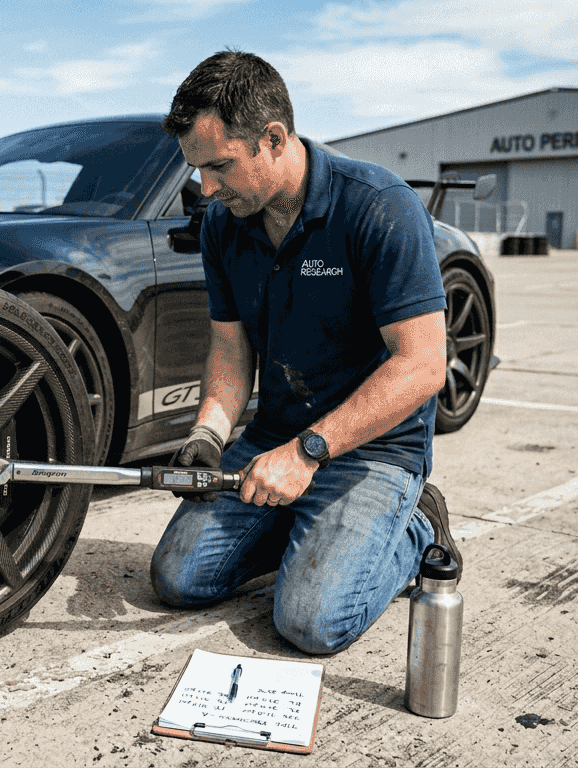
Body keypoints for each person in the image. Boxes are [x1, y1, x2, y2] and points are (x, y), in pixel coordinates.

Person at [149, 50, 461, 655]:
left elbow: (422, 366)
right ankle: (308, 532)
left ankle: (416, 526)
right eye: (197, 171)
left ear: (273, 138)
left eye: (219, 167)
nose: (206, 189)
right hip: (274, 442)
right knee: (178, 579)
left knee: (311, 623)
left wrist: (307, 452)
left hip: (372, 449)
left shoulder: (377, 206)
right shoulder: (224, 224)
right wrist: (208, 437)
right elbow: (230, 352)